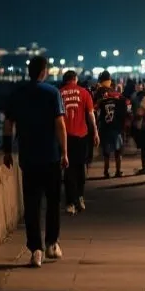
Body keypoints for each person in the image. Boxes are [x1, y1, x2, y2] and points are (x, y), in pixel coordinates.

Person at [2, 55, 68, 268]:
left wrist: (6, 151)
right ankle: (51, 244)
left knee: (31, 204)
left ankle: (35, 250)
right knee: (53, 202)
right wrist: (65, 151)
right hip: (50, 156)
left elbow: (8, 125)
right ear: (43, 72)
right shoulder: (52, 93)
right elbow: (60, 125)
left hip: (28, 158)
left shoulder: (18, 93)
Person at [60, 70, 99, 214]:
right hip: (82, 136)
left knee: (68, 169)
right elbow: (90, 115)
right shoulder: (84, 93)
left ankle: (70, 203)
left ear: (65, 80)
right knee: (81, 168)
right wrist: (95, 132)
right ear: (75, 79)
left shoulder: (59, 93)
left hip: (65, 137)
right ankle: (80, 198)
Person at [93, 71, 128, 178]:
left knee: (106, 152)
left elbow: (95, 109)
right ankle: (118, 171)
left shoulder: (100, 95)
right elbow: (126, 108)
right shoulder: (119, 96)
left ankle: (106, 172)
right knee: (118, 151)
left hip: (105, 126)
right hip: (116, 127)